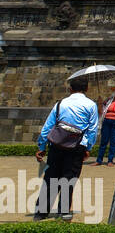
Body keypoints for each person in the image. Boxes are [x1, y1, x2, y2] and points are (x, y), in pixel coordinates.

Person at [34, 75, 99, 220]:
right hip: (76, 147)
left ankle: (40, 213)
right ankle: (63, 212)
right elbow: (93, 130)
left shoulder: (60, 104)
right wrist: (88, 147)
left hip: (57, 145)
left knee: (50, 178)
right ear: (87, 89)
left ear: (70, 89)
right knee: (68, 179)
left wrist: (42, 146)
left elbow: (48, 127)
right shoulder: (90, 105)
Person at [95, 84, 115, 165]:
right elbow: (100, 111)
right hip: (106, 121)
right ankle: (99, 160)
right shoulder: (108, 100)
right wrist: (99, 103)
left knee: (113, 142)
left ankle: (110, 160)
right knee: (103, 141)